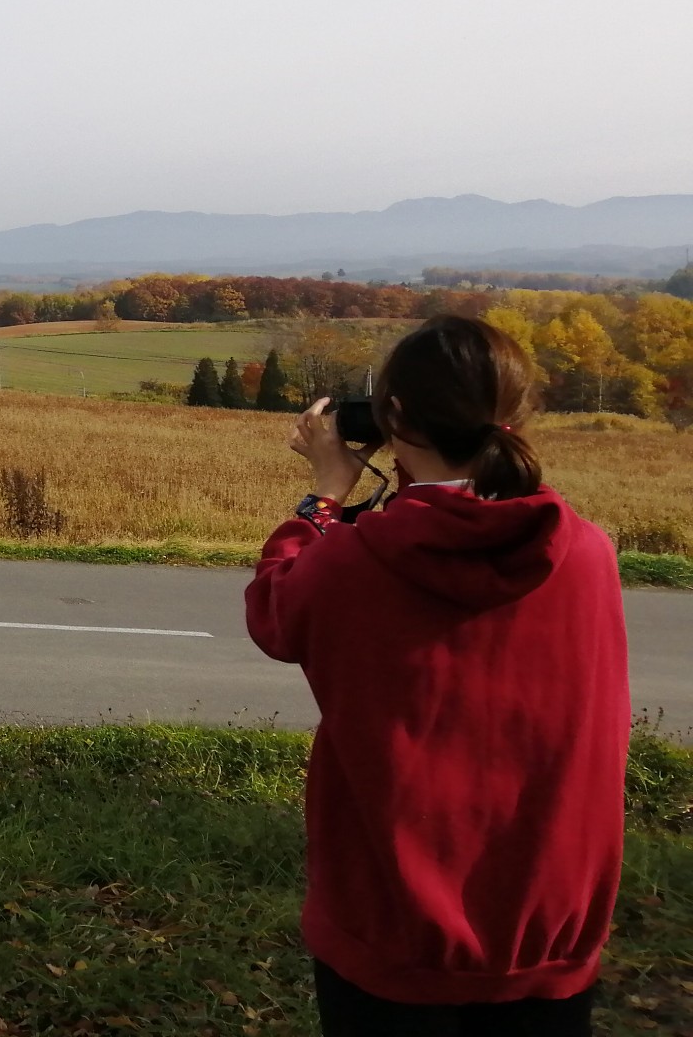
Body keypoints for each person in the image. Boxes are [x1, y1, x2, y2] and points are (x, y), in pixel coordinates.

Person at [245, 315, 629, 1036]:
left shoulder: (352, 561)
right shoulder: (587, 555)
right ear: (512, 417)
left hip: (390, 929)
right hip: (547, 925)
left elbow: (274, 614)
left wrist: (325, 494)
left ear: (392, 417)